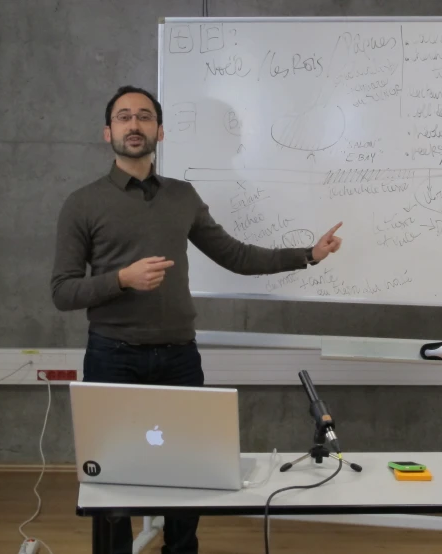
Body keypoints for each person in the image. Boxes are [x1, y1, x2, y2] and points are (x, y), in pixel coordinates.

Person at [49, 85, 343, 554]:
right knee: (111, 484)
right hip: (112, 358)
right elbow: (62, 291)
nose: (134, 125)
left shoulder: (182, 196)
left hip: (178, 358)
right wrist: (120, 279)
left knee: (189, 475)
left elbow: (236, 255)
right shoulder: (82, 203)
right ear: (108, 131)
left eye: (144, 117)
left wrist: (307, 254)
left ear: (159, 132)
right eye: (123, 117)